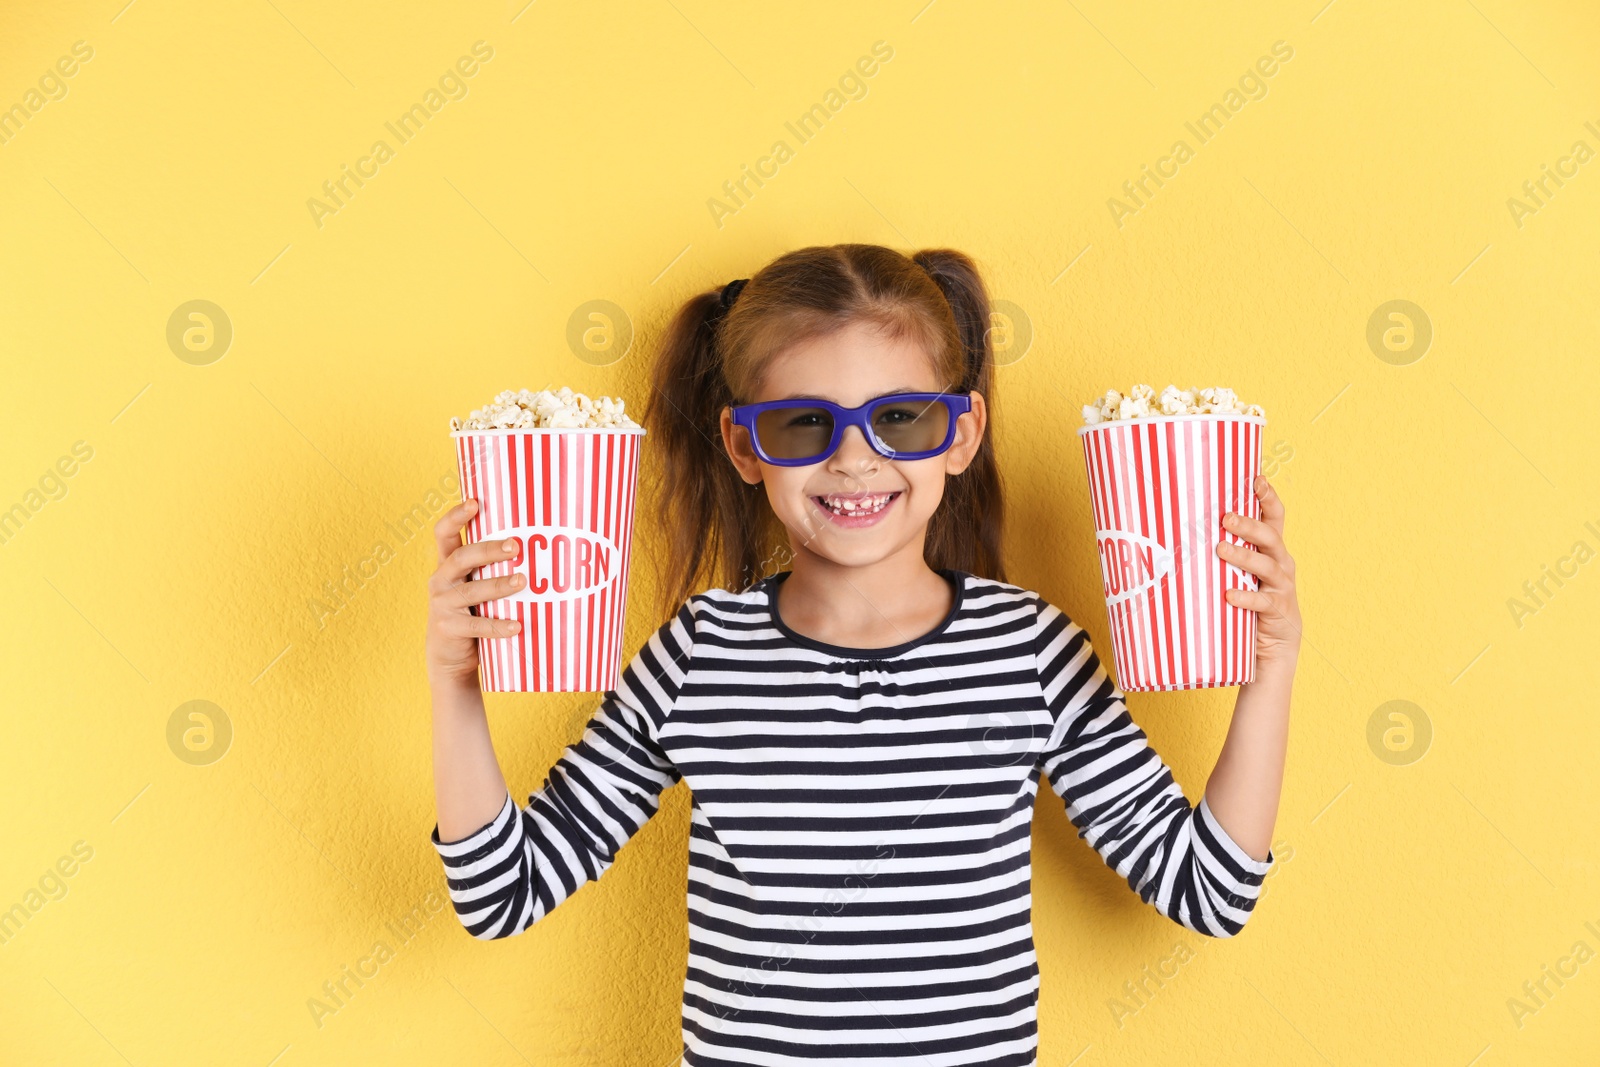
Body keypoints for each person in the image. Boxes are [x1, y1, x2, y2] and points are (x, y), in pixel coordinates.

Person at [425, 243, 1302, 1064]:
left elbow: (1209, 891)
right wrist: (454, 683)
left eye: (901, 418)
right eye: (804, 424)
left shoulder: (1029, 650)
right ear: (743, 445)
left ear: (960, 432)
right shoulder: (699, 657)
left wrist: (1269, 672)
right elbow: (503, 892)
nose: (854, 458)